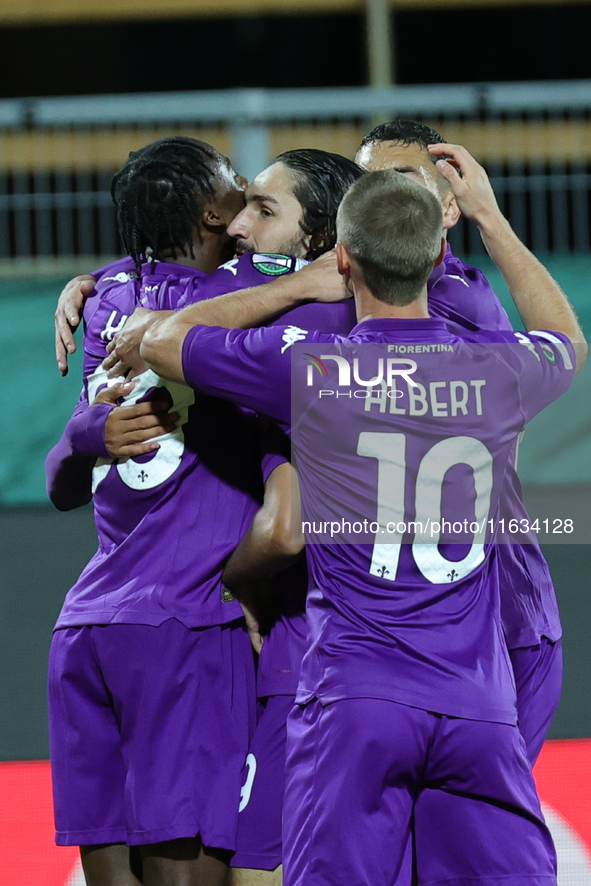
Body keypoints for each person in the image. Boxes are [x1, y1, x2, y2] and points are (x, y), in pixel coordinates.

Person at [113, 146, 585, 886]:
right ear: (435, 254)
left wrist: (296, 285)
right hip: (474, 706)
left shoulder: (312, 368)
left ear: (345, 256)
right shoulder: (495, 365)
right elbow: (566, 339)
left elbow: (162, 337)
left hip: (354, 698)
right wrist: (489, 216)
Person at [47, 144, 363, 886]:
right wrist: (320, 273)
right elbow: (331, 277)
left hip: (88, 624)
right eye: (240, 195)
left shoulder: (105, 302)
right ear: (213, 213)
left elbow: (63, 484)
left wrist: (84, 427)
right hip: (189, 624)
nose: (250, 211)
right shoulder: (263, 292)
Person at [356, 119, 564, 765]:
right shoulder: (386, 291)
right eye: (364, 186)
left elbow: (563, 351)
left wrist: (492, 218)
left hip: (496, 625)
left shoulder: (447, 307)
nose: (380, 200)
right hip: (431, 627)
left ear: (448, 208)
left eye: (401, 184)